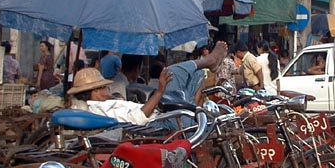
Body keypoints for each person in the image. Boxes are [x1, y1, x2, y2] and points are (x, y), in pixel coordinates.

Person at [68, 41, 228, 126]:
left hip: (162, 117)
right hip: (159, 122)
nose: (106, 89)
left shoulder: (105, 102)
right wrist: (160, 91)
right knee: (173, 71)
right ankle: (210, 60)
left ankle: (206, 68)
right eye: (102, 87)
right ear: (93, 92)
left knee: (197, 74)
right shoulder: (99, 109)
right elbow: (139, 117)